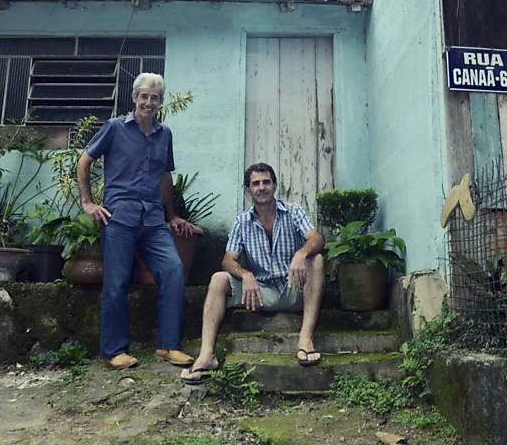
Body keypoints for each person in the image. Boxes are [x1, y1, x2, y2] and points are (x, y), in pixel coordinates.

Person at [77, 72, 195, 370]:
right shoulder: (115, 128)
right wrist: (88, 203)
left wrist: (171, 215)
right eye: (144, 96)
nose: (148, 102)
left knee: (172, 270)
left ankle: (168, 346)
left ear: (160, 102)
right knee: (116, 283)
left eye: (154, 97)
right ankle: (114, 350)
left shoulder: (164, 133)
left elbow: (165, 175)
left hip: (153, 219)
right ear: (134, 98)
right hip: (119, 217)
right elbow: (84, 161)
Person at [180, 162, 325, 385]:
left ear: (275, 186)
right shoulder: (242, 221)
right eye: (255, 183)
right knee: (218, 279)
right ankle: (206, 355)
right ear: (248, 190)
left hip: (294, 288)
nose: (261, 187)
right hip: (260, 293)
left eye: (266, 182)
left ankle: (305, 339)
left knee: (316, 260)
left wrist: (301, 254)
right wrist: (246, 275)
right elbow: (228, 260)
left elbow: (317, 238)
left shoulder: (293, 211)